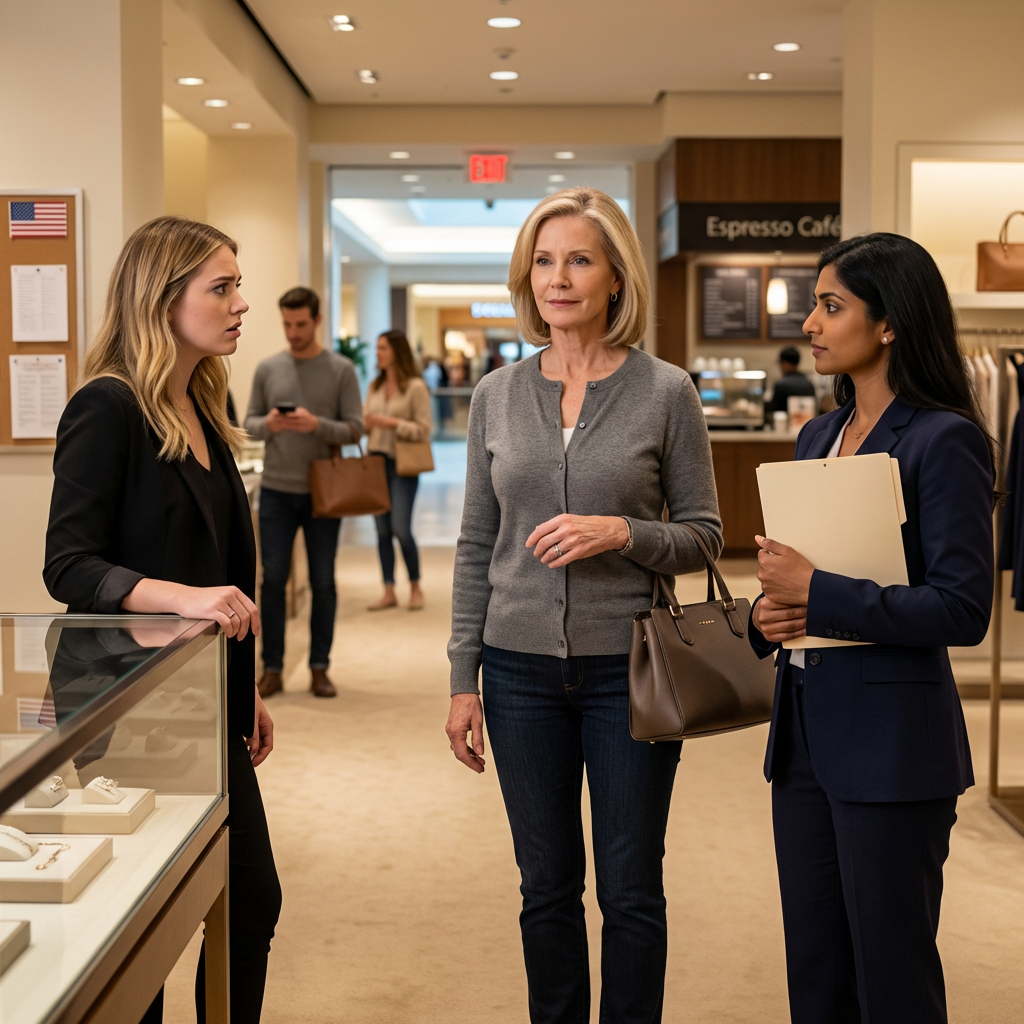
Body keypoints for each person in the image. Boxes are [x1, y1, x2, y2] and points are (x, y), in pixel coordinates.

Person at [445, 187, 723, 1024]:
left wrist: (622, 532)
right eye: (543, 261)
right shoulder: (496, 395)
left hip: (629, 671)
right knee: (545, 887)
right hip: (518, 673)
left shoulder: (667, 391)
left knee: (631, 889)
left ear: (615, 278)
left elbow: (705, 537)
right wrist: (463, 678)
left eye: (578, 260)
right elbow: (475, 545)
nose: (557, 279)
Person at [749, 233, 995, 1024]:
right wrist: (768, 613)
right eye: (814, 306)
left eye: (831, 306)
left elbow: (962, 608)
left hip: (894, 750)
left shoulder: (944, 439)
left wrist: (817, 592)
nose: (810, 324)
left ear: (889, 323)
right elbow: (797, 582)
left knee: (891, 979)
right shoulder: (816, 436)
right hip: (804, 744)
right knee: (816, 973)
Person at [43, 216, 282, 1024]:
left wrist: (245, 689)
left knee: (249, 898)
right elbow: (68, 564)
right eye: (222, 287)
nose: (241, 303)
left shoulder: (204, 406)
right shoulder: (107, 406)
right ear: (162, 298)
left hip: (197, 697)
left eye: (238, 285)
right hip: (123, 704)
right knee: (139, 917)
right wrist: (179, 596)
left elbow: (223, 569)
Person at [245, 287, 363, 699]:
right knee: (273, 581)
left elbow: (355, 429)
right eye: (287, 325)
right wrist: (270, 425)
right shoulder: (267, 369)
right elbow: (248, 424)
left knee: (323, 582)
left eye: (300, 324)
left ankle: (319, 667)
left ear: (317, 321)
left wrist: (316, 425)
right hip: (276, 490)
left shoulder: (340, 370)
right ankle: (272, 668)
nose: (293, 333)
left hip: (322, 493)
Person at [363, 329, 433, 610]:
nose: (378, 353)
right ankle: (389, 589)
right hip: (376, 462)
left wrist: (392, 423)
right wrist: (366, 423)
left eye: (383, 348)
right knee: (382, 531)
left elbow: (424, 429)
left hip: (403, 465)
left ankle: (416, 586)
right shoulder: (375, 386)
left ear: (397, 352)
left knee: (401, 529)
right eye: (377, 348)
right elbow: (366, 421)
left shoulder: (415, 387)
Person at [765, 344, 816, 417]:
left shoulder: (780, 385)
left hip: (784, 423)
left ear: (784, 363)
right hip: (807, 422)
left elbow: (775, 411)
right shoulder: (809, 384)